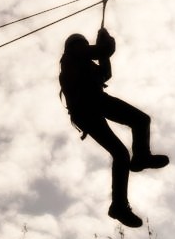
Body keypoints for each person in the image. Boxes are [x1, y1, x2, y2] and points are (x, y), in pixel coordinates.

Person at [59, 27, 168, 227]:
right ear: (73, 47)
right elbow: (103, 51)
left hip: (94, 103)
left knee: (137, 127)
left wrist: (103, 47)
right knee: (130, 137)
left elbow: (105, 74)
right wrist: (105, 42)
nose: (84, 46)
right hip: (87, 106)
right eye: (81, 44)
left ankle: (137, 164)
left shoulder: (85, 63)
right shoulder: (70, 58)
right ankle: (121, 202)